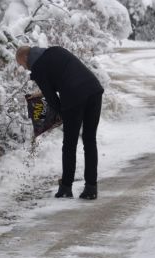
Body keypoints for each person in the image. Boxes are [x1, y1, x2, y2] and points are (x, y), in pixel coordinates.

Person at [16, 45, 104, 200]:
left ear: (24, 58)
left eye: (21, 64)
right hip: (93, 89)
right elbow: (64, 75)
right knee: (90, 140)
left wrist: (61, 114)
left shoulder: (37, 67)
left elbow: (51, 98)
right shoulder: (54, 51)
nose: (23, 67)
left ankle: (66, 188)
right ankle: (91, 188)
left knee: (69, 144)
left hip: (74, 96)